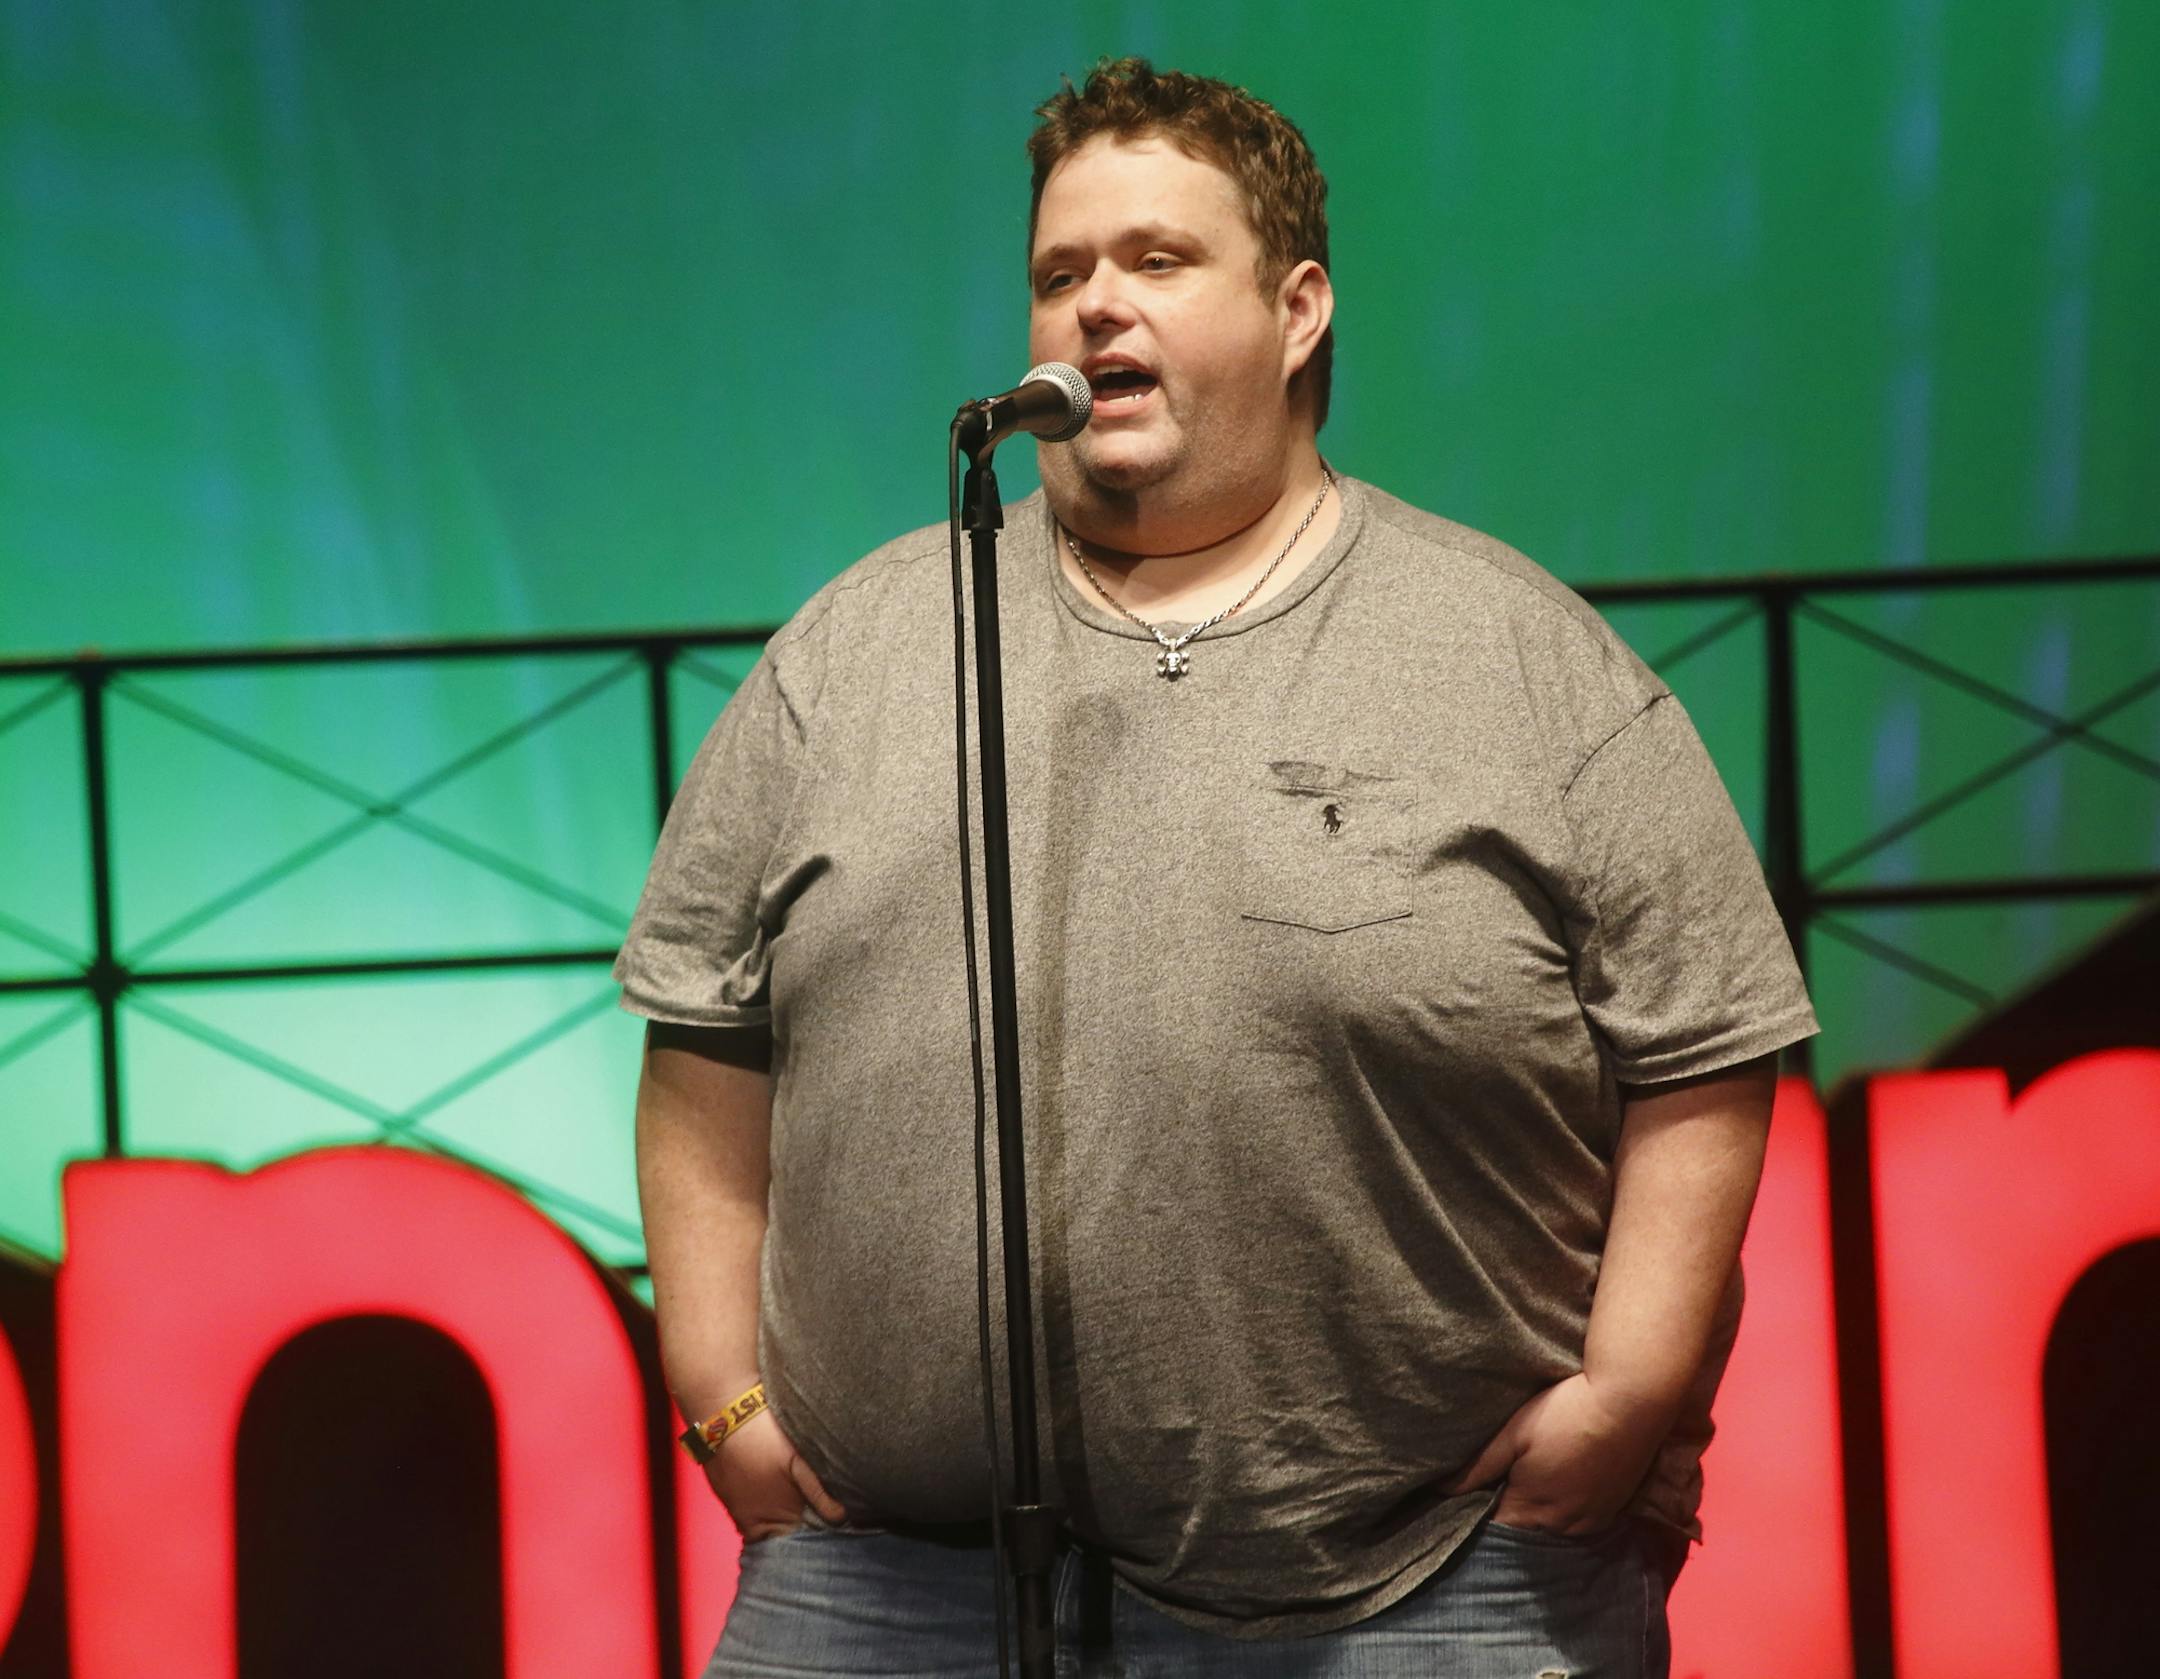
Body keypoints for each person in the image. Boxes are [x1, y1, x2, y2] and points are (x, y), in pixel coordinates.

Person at [618, 57, 1818, 1678]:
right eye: (1061, 274)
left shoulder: (1519, 657)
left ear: (1300, 308)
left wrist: (1630, 1392)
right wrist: (722, 1395)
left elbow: (1708, 1045)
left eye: (1156, 263)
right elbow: (703, 1039)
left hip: (1429, 1587)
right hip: (887, 1587)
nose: (1095, 308)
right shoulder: (856, 650)